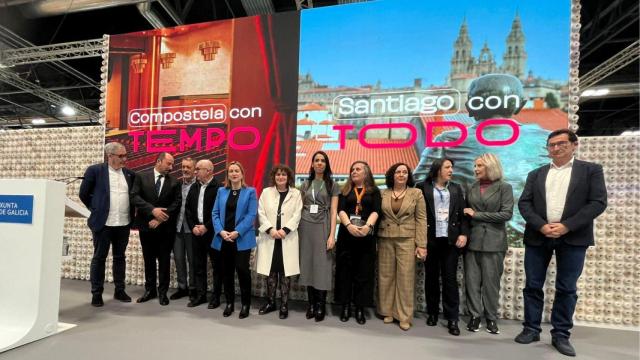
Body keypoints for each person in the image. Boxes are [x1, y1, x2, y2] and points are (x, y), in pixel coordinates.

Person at [414, 73, 551, 234]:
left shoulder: (447, 140)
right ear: (520, 105)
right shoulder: (547, 139)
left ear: (471, 106)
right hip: (529, 234)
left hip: (465, 232)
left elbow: (418, 184)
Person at [515, 129, 607, 357]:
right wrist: (541, 225)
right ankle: (531, 328)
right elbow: (524, 203)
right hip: (539, 235)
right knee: (533, 285)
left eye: (561, 144)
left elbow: (597, 203)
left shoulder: (591, 171)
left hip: (573, 237)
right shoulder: (536, 174)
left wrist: (567, 225)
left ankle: (561, 334)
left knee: (566, 288)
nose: (555, 148)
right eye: (551, 145)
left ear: (574, 145)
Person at [416, 158, 469, 336]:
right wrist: (419, 242)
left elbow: (462, 214)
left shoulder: (456, 188)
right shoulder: (422, 187)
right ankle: (432, 312)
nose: (451, 170)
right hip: (430, 240)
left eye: (452, 167)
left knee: (450, 280)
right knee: (431, 278)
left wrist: (464, 233)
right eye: (447, 167)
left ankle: (452, 317)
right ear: (438, 169)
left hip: (450, 241)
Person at [79, 142, 135, 307]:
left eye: (125, 155)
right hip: (103, 224)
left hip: (123, 223)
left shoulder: (130, 174)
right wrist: (96, 209)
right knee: (99, 258)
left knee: (120, 257)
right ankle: (97, 293)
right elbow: (83, 194)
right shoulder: (95, 171)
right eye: (121, 156)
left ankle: (120, 290)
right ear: (109, 156)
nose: (124, 158)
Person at [463, 153, 514, 334]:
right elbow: (465, 214)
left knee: (491, 283)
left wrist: (477, 215)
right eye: (475, 166)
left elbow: (506, 214)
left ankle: (491, 318)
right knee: (472, 282)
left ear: (491, 167)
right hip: (473, 241)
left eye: (479, 166)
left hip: (494, 242)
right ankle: (475, 316)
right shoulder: (471, 187)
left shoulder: (504, 188)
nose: (475, 169)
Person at [377, 163, 427, 331]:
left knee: (405, 278)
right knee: (386, 276)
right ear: (392, 175)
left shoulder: (416, 193)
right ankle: (387, 311)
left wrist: (421, 245)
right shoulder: (383, 193)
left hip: (407, 238)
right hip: (385, 237)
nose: (401, 175)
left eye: (405, 172)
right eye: (398, 172)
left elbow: (421, 220)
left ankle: (404, 316)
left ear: (408, 176)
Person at [130, 152, 181, 306]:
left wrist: (160, 218)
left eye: (172, 164)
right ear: (159, 161)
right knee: (149, 260)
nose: (171, 167)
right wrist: (152, 211)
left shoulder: (174, 182)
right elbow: (134, 197)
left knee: (164, 262)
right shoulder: (141, 177)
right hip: (146, 227)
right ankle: (149, 290)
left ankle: (162, 292)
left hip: (165, 229)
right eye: (169, 164)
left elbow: (176, 203)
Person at [335, 161, 381, 325]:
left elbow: (376, 210)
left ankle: (360, 308)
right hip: (347, 237)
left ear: (366, 172)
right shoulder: (345, 191)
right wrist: (348, 225)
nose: (354, 171)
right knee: (345, 273)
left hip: (366, 238)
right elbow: (340, 210)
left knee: (363, 273)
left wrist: (368, 226)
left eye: (358, 169)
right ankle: (345, 306)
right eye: (352, 169)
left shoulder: (374, 192)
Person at [256, 164, 303, 319]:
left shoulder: (296, 194)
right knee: (271, 272)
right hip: (270, 238)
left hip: (286, 237)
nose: (281, 177)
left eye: (283, 174)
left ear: (288, 177)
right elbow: (261, 212)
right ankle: (271, 302)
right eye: (278, 175)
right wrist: (270, 230)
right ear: (274, 177)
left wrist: (285, 230)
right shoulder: (266, 192)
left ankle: (284, 304)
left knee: (285, 273)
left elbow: (297, 214)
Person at [212, 161, 257, 319]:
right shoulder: (221, 191)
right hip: (224, 238)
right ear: (228, 174)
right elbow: (215, 213)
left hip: (241, 238)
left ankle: (245, 304)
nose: (234, 173)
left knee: (243, 271)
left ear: (242, 173)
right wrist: (221, 231)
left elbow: (251, 215)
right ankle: (229, 303)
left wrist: (237, 231)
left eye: (237, 170)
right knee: (226, 272)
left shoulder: (250, 192)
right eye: (231, 171)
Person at [298, 151, 339, 322]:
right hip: (305, 227)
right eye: (317, 160)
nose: (320, 163)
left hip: (323, 226)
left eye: (323, 161)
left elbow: (334, 211)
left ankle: (321, 305)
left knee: (322, 266)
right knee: (307, 264)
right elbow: (299, 208)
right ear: (312, 164)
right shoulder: (305, 184)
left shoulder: (332, 185)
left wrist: (332, 236)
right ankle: (311, 304)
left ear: (326, 164)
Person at [184, 159, 220, 308]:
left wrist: (206, 227)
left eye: (198, 169)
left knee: (217, 266)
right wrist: (193, 227)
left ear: (209, 171)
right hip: (196, 233)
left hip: (212, 233)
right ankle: (201, 295)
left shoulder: (219, 188)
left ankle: (216, 297)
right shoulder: (194, 187)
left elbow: (219, 213)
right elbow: (188, 210)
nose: (195, 171)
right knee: (198, 265)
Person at [170, 157, 196, 301]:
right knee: (179, 259)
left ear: (194, 170)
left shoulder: (198, 186)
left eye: (188, 167)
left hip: (192, 230)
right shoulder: (177, 185)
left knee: (192, 261)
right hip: (177, 228)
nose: (185, 170)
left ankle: (193, 288)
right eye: (183, 167)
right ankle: (182, 287)